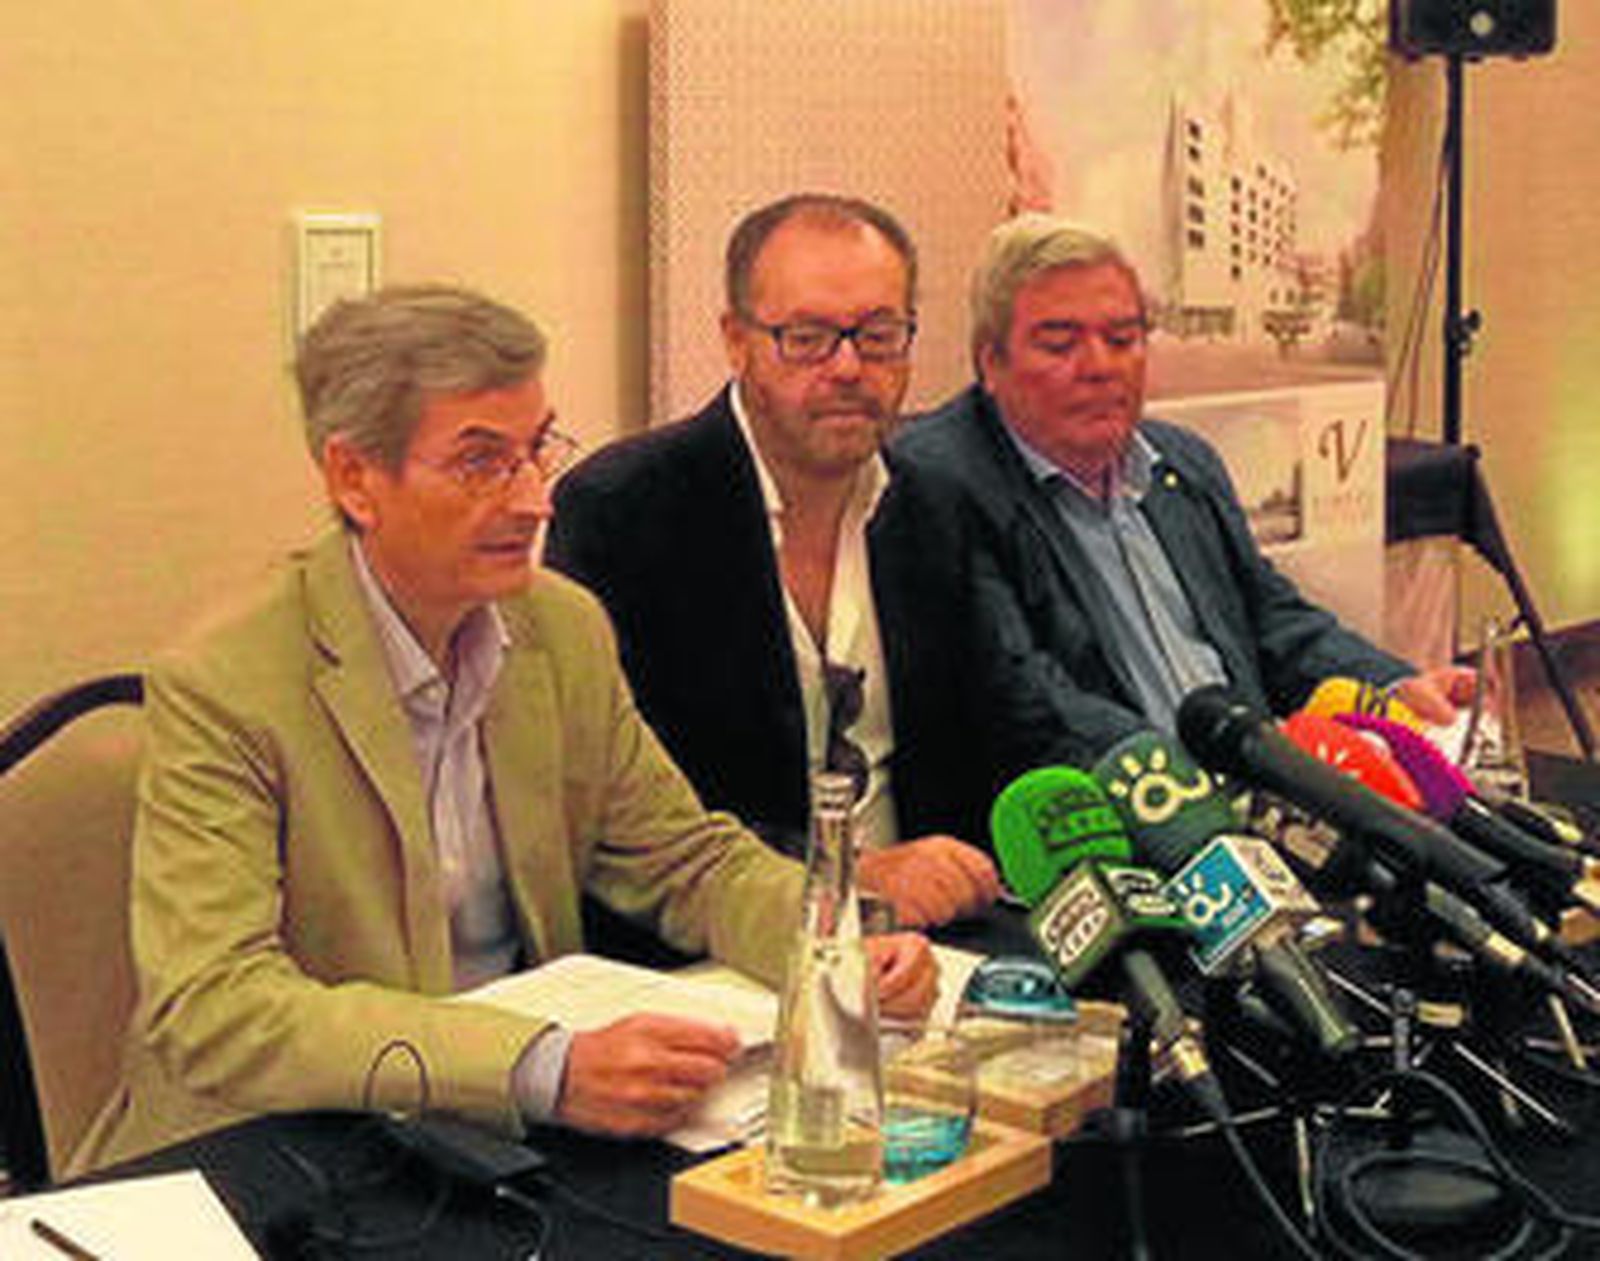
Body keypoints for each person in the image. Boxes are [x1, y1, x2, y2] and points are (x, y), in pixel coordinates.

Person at [71, 285, 936, 1175]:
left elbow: (685, 858)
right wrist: (537, 1066)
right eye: (481, 463)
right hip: (290, 1148)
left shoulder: (560, 629)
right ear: (354, 478)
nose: (534, 502)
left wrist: (828, 943)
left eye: (536, 451)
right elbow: (215, 1006)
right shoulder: (228, 680)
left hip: (505, 1143)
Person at [545, 194, 1000, 929]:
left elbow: (998, 728)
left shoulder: (937, 507)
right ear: (736, 339)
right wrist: (844, 877)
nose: (849, 367)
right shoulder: (624, 511)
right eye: (809, 337)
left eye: (879, 335)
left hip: (934, 946)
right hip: (716, 956)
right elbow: (624, 817)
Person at [892, 214, 1474, 774]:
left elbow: (1272, 621)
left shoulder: (1183, 463)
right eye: (1060, 343)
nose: (1100, 367)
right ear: (990, 361)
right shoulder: (940, 483)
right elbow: (1026, 703)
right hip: (1125, 823)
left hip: (1259, 789)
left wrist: (1393, 686)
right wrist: (1199, 790)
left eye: (1122, 338)